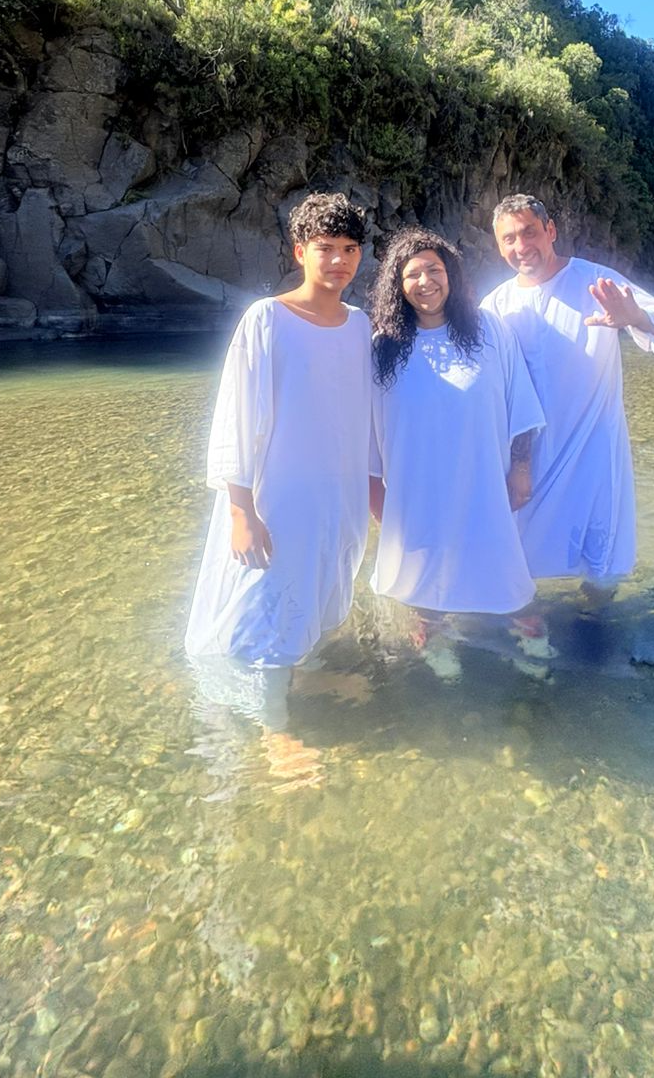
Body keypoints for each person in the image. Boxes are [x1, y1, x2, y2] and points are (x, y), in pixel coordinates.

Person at [184, 192, 372, 779]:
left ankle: (301, 676)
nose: (338, 261)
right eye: (325, 248)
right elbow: (236, 415)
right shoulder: (266, 318)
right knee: (267, 600)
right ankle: (274, 731)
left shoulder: (360, 325)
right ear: (299, 252)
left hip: (336, 493)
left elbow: (364, 416)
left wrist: (372, 491)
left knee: (318, 591)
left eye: (349, 249)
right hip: (278, 494)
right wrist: (240, 508)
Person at [481, 193, 654, 589]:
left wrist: (634, 317)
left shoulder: (594, 282)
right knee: (521, 563)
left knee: (600, 563)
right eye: (509, 239)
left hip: (593, 450)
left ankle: (596, 624)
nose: (521, 246)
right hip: (528, 457)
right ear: (499, 247)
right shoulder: (496, 305)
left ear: (550, 230)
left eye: (529, 232)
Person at [368, 228, 544, 659]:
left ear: (451, 275)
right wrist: (375, 495)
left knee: (505, 575)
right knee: (422, 575)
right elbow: (367, 430)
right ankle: (433, 635)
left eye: (434, 270)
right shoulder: (383, 348)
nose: (425, 281)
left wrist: (521, 468)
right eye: (412, 274)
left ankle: (528, 636)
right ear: (397, 286)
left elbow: (519, 401)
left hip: (482, 478)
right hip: (416, 486)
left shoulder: (489, 331)